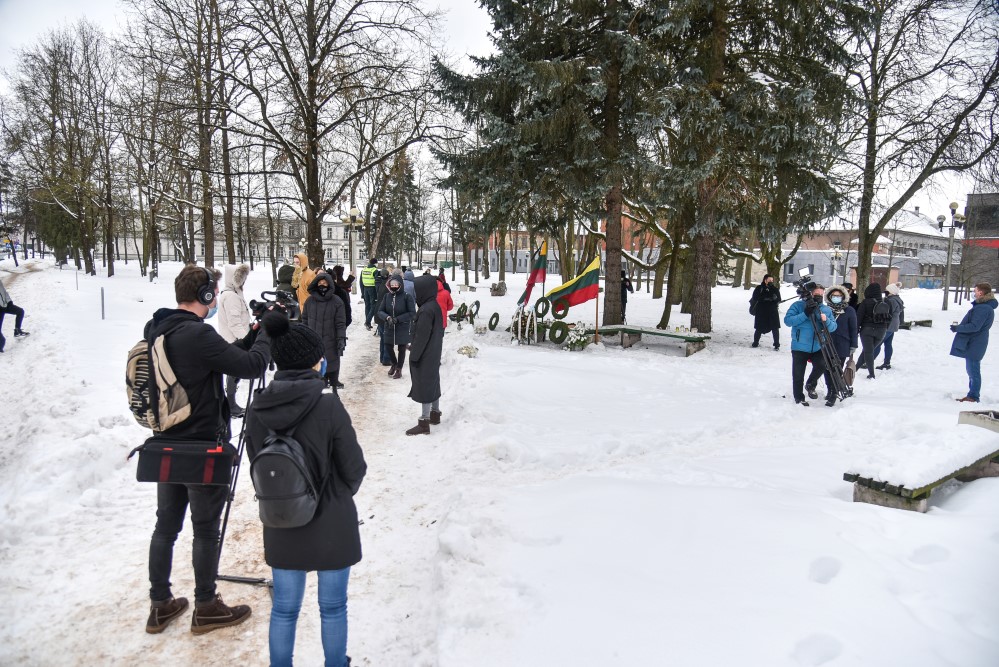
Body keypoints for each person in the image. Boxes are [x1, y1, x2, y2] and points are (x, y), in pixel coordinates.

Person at [143, 264, 272, 635]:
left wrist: (252, 334)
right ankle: (206, 605)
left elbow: (224, 356)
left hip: (167, 444)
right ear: (206, 295)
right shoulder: (197, 334)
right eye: (212, 293)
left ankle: (160, 604)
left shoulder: (159, 329)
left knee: (165, 527)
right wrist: (266, 335)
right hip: (201, 448)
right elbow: (252, 366)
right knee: (205, 530)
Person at [248, 312, 366, 667]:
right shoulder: (328, 404)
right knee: (333, 607)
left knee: (284, 609)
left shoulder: (257, 409)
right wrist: (336, 495)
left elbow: (259, 466)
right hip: (332, 522)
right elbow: (354, 468)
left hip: (282, 518)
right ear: (316, 361)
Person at [784, 283, 837, 406]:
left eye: (821, 294)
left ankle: (811, 384)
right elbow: (788, 321)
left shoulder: (826, 309)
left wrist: (826, 320)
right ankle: (799, 398)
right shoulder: (798, 305)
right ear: (810, 293)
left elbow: (833, 327)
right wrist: (805, 314)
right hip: (800, 346)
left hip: (818, 345)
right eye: (816, 294)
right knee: (798, 374)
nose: (818, 296)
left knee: (822, 365)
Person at [406, 275, 445, 435]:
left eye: (417, 291)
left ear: (424, 291)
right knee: (433, 381)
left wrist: (414, 356)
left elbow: (422, 337)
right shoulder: (434, 305)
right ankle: (435, 414)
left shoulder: (426, 310)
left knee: (425, 385)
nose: (415, 294)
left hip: (425, 354)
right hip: (433, 351)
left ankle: (424, 422)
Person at [950, 282, 997, 403]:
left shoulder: (983, 308)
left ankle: (973, 396)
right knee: (971, 370)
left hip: (975, 343)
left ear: (980, 293)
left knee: (973, 371)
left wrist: (958, 328)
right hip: (976, 342)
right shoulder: (984, 306)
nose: (973, 293)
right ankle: (972, 395)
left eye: (975, 290)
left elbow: (975, 326)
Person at [302, 273, 347, 391]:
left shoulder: (336, 301)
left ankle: (334, 384)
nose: (322, 285)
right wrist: (303, 336)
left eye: (325, 283)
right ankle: (319, 382)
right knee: (315, 363)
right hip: (313, 339)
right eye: (320, 283)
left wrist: (341, 338)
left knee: (332, 361)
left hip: (330, 338)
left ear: (330, 284)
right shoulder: (309, 301)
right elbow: (305, 320)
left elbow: (340, 323)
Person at [217, 264, 252, 417]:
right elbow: (234, 323)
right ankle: (231, 405)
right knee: (234, 372)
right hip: (235, 340)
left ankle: (231, 403)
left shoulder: (233, 293)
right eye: (242, 278)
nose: (244, 281)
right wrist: (247, 340)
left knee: (234, 372)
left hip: (234, 339)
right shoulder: (231, 296)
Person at [821, 285, 857, 407]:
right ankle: (830, 389)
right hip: (826, 343)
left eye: (839, 296)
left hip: (842, 343)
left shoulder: (849, 310)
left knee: (837, 369)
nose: (836, 297)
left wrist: (854, 345)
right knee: (827, 368)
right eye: (834, 296)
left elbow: (853, 329)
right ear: (829, 297)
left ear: (843, 296)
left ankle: (834, 393)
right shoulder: (825, 310)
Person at [377, 274, 416, 380]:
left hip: (402, 326)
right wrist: (387, 317)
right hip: (389, 326)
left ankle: (399, 369)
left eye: (396, 284)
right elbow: (380, 311)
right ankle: (394, 363)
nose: (394, 286)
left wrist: (398, 319)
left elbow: (412, 313)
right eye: (392, 284)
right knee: (388, 345)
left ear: (400, 284)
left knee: (402, 348)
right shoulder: (387, 296)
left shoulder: (406, 296)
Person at [854, 283, 888, 379]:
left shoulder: (866, 302)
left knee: (868, 352)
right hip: (881, 331)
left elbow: (858, 318)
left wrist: (855, 331)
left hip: (867, 330)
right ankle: (855, 369)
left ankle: (871, 374)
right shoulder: (885, 302)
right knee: (868, 351)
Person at [874, 283, 904, 370]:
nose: (885, 292)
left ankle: (868, 361)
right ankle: (887, 363)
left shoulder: (891, 301)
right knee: (888, 344)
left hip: (889, 325)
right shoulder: (897, 299)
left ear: (891, 291)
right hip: (894, 325)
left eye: (887, 290)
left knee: (878, 343)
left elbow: (887, 313)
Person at [750, 274, 782, 350]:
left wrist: (775, 299)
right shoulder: (759, 288)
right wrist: (765, 298)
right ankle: (755, 342)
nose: (771, 281)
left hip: (772, 311)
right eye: (769, 280)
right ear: (765, 280)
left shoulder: (775, 289)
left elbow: (779, 299)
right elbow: (755, 297)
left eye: (772, 280)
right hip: (761, 311)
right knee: (759, 328)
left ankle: (776, 344)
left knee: (775, 328)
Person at [0, 278, 29, 353]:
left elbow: (4, 292)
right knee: (2, 340)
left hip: (6, 305)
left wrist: (9, 301)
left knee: (20, 312)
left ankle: (17, 330)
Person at [360, 259, 378, 330]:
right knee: (374, 306)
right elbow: (377, 282)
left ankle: (368, 323)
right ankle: (367, 322)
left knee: (367, 306)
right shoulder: (375, 270)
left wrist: (362, 293)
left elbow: (361, 282)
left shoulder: (364, 270)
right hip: (372, 289)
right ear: (375, 263)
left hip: (365, 289)